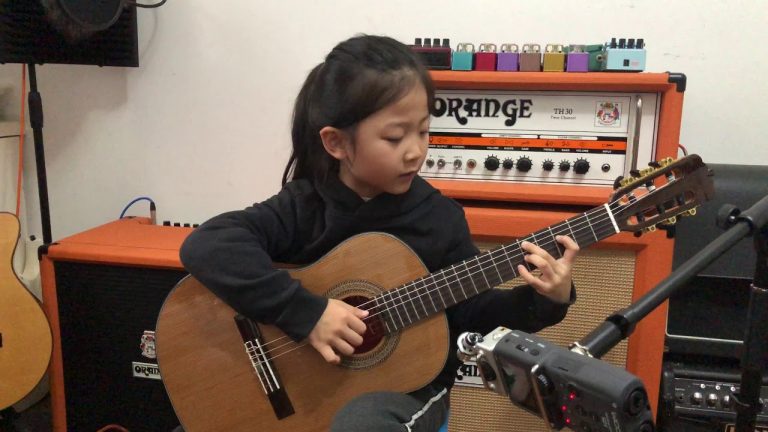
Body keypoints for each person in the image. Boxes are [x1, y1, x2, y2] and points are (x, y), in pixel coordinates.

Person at [179, 34, 579, 432]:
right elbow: (209, 244)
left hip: (410, 391)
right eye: (394, 137)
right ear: (337, 143)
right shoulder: (304, 204)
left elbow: (471, 316)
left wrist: (546, 300)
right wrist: (307, 313)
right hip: (311, 393)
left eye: (423, 132)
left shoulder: (438, 218)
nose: (415, 151)